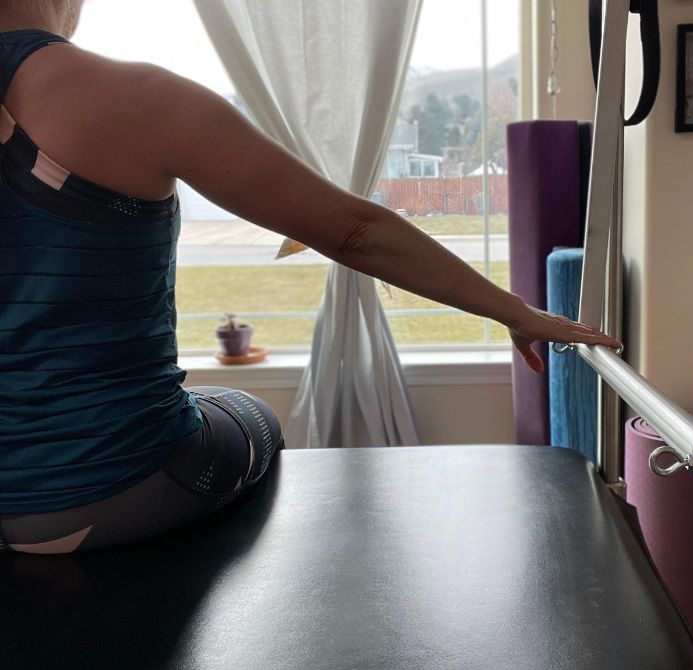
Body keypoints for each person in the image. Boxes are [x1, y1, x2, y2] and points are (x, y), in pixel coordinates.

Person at [0, 0, 620, 554]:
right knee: (249, 412)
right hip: (102, 491)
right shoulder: (129, 95)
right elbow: (355, 231)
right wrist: (513, 311)